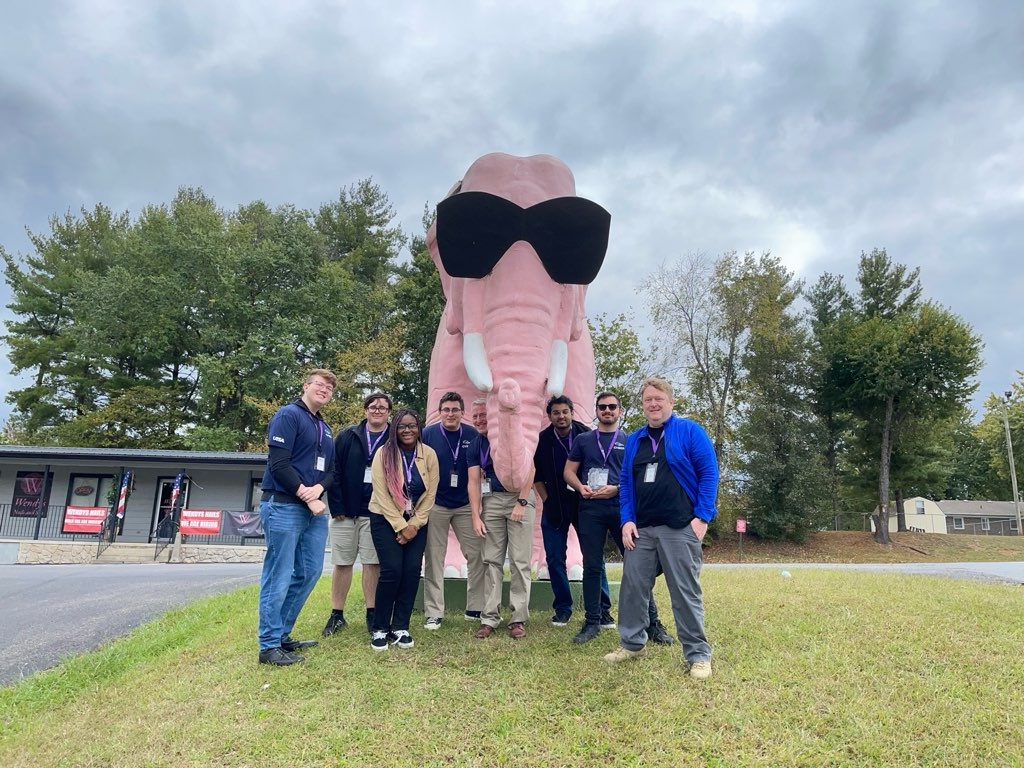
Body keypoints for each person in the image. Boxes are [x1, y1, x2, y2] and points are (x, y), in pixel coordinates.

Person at [603, 378, 719, 680]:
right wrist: (627, 520)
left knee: (684, 591)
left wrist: (702, 517)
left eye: (658, 398)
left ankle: (698, 655)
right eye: (647, 400)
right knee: (633, 587)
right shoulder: (636, 440)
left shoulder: (690, 432)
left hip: (680, 527)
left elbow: (709, 473)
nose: (653, 404)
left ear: (671, 401)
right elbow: (626, 483)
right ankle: (632, 643)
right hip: (642, 529)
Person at [563, 391, 673, 645]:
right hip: (590, 509)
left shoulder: (631, 440)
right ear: (596, 411)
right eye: (602, 407)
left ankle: (652, 623)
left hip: (623, 510)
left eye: (612, 406)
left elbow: (638, 477)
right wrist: (581, 488)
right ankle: (593, 621)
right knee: (592, 566)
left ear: (620, 411)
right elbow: (568, 471)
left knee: (638, 568)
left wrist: (618, 488)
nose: (607, 410)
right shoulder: (583, 440)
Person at [257, 368, 337, 666]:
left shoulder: (324, 428)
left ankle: (281, 636)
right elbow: (278, 464)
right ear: (306, 386)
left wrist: (319, 489)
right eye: (320, 384)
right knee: (279, 575)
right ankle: (267, 647)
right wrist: (307, 494)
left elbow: (331, 471)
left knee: (309, 571)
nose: (325, 389)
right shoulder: (288, 415)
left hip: (313, 508)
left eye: (330, 387)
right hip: (284, 506)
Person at [533, 395, 611, 627]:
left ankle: (602, 609)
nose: (561, 416)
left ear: (572, 412)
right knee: (555, 558)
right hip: (554, 507)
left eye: (565, 412)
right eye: (556, 413)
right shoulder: (542, 440)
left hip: (585, 506)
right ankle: (563, 608)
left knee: (594, 558)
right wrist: (546, 501)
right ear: (550, 416)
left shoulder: (587, 435)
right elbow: (535, 477)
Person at [368, 409, 439, 651]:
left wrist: (414, 525)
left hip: (416, 521)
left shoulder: (428, 454)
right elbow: (381, 494)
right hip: (385, 519)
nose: (407, 430)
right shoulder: (383, 454)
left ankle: (400, 627)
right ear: (394, 429)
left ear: (419, 428)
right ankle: (379, 628)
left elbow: (430, 495)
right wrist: (401, 526)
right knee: (391, 571)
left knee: (410, 572)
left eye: (412, 426)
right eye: (401, 426)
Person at [322, 392, 392, 637]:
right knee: (342, 563)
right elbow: (334, 470)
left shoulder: (395, 437)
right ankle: (336, 615)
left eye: (382, 407)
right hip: (346, 512)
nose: (377, 410)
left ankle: (372, 614)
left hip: (377, 512)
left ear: (388, 412)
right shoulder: (348, 436)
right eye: (373, 406)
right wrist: (337, 506)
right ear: (365, 410)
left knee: (373, 564)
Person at [467, 399, 535, 639]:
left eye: (483, 415)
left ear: (494, 414)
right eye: (474, 416)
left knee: (519, 561)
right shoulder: (475, 444)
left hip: (520, 497)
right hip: (493, 499)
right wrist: (476, 516)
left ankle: (518, 619)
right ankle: (489, 618)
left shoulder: (513, 433)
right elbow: (473, 481)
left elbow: (531, 469)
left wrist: (522, 502)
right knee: (491, 560)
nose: (479, 420)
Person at [420, 392, 481, 630]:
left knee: (476, 555)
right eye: (446, 410)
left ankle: (475, 607)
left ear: (462, 412)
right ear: (440, 412)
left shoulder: (472, 434)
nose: (450, 414)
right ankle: (434, 612)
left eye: (455, 409)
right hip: (436, 503)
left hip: (466, 504)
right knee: (434, 558)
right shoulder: (427, 434)